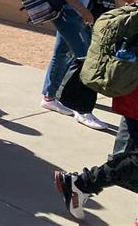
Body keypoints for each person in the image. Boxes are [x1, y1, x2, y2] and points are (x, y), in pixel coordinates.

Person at [41, 0, 110, 130]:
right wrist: (82, 9)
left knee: (62, 54)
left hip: (79, 13)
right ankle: (81, 109)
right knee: (86, 57)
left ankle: (49, 97)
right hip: (66, 12)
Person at [54, 83, 138, 220]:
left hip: (131, 93)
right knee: (131, 161)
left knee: (128, 158)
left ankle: (82, 184)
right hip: (132, 93)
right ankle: (82, 184)